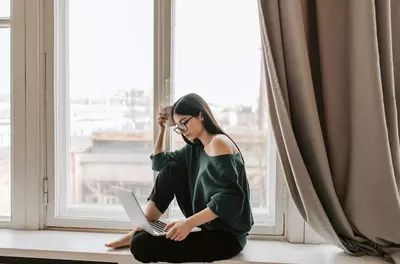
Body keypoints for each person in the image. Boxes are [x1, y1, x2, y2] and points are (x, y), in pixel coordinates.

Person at [105, 93, 254, 263]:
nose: (182, 130)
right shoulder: (195, 148)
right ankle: (142, 227)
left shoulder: (219, 143)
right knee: (172, 168)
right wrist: (162, 130)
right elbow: (159, 164)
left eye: (184, 123)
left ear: (201, 115)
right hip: (205, 226)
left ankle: (138, 234)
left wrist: (188, 223)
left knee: (141, 244)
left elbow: (230, 198)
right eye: (178, 126)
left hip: (226, 237)